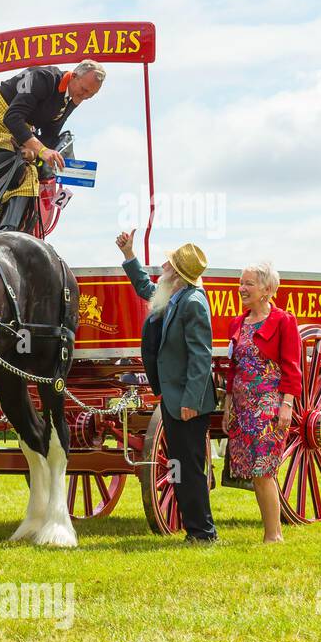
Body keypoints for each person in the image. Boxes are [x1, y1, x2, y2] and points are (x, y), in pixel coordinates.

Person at [116, 229, 218, 542]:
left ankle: (203, 532)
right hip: (174, 399)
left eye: (168, 264)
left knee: (188, 468)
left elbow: (201, 359)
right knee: (179, 467)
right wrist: (129, 255)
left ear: (177, 274)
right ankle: (195, 530)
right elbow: (146, 287)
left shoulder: (193, 304)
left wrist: (190, 401)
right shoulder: (174, 297)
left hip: (187, 403)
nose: (162, 266)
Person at [0, 60, 105, 232]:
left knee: (31, 172)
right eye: (84, 90)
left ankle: (13, 231)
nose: (85, 97)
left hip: (18, 130)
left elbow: (51, 133)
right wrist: (41, 150)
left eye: (91, 95)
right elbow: (12, 117)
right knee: (20, 176)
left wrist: (35, 153)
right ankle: (4, 234)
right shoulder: (41, 78)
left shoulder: (73, 97)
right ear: (73, 76)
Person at [225, 262, 302, 543]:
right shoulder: (237, 323)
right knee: (255, 474)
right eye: (241, 283)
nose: (242, 288)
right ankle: (270, 532)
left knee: (264, 469)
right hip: (243, 408)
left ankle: (274, 535)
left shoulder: (283, 321)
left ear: (267, 289)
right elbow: (232, 368)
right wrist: (228, 405)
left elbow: (292, 366)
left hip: (269, 405)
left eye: (248, 284)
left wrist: (287, 405)